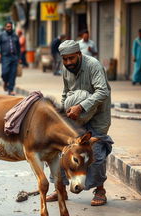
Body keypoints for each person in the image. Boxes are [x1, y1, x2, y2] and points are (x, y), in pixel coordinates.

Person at [46, 40, 113, 206]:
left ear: (79, 54)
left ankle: (100, 190)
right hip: (75, 119)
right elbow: (65, 93)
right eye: (65, 59)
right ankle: (59, 188)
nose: (69, 62)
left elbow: (102, 91)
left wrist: (81, 106)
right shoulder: (65, 69)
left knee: (95, 154)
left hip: (98, 116)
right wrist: (62, 114)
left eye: (72, 58)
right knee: (64, 152)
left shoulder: (93, 65)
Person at [0, 21, 20, 95]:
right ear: (5, 27)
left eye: (10, 27)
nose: (9, 28)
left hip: (14, 57)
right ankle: (5, 82)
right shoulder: (1, 35)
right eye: (8, 27)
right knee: (5, 72)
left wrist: (19, 58)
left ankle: (10, 89)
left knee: (13, 74)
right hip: (5, 57)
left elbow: (18, 47)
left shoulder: (15, 36)